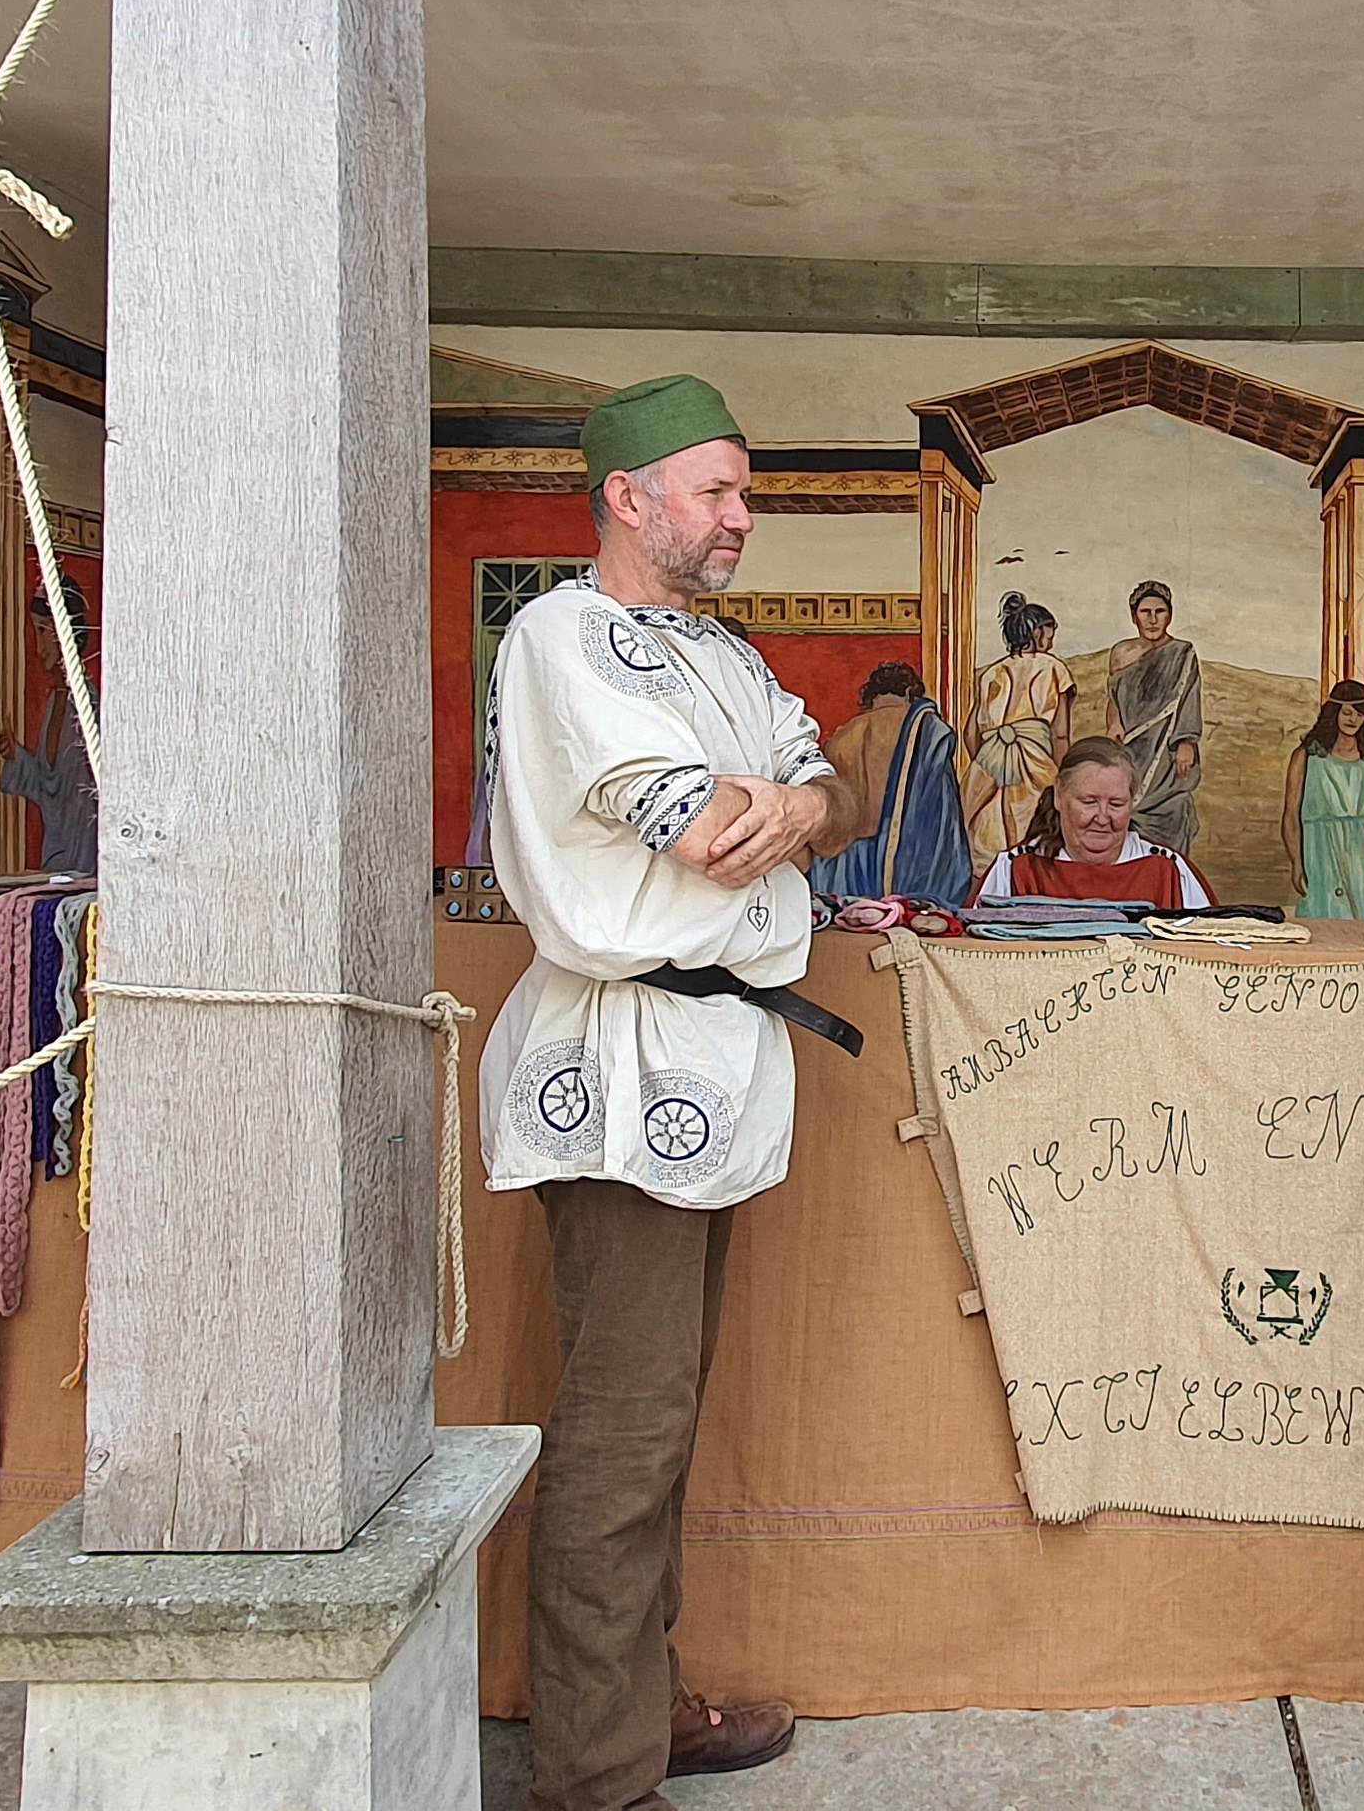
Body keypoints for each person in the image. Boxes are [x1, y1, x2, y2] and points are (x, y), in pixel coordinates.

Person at [479, 373, 853, 1811]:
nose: (741, 517)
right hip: (622, 1067)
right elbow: (708, 835)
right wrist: (780, 812)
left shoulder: (728, 658)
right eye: (718, 491)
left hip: (712, 1063)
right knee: (624, 1431)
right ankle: (598, 1776)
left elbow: (836, 792)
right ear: (628, 498)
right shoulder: (562, 638)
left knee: (662, 1419)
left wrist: (809, 806)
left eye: (745, 491)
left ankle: (636, 1708)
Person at [807, 662, 976, 906]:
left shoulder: (841, 737)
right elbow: (941, 811)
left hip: (846, 863)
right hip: (901, 862)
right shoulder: (925, 729)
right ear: (909, 692)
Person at [976, 736, 1212, 909]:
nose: (1102, 818)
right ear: (1059, 796)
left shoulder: (1169, 870)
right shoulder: (1015, 869)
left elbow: (1210, 957)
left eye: (1116, 804)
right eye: (1089, 802)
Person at [962, 593, 1071, 857]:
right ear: (1036, 633)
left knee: (987, 834)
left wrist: (992, 759)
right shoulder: (1054, 668)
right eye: (1050, 632)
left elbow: (970, 734)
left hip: (989, 763)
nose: (1052, 640)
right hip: (1035, 761)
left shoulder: (990, 673)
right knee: (1034, 833)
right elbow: (1060, 733)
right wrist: (1066, 775)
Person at [1102, 579, 1206, 855]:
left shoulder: (1182, 653)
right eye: (1145, 612)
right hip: (1132, 749)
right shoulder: (1121, 653)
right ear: (1133, 616)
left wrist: (1186, 742)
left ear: (1169, 615)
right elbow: (1114, 699)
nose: (1152, 619)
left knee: (1174, 808)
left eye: (1159, 612)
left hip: (1167, 751)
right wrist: (1115, 722)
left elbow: (1188, 698)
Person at [1279, 677, 1364, 920]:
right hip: (1319, 852)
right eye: (1348, 713)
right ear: (1335, 713)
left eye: (1359, 715)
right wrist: (1297, 862)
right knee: (1324, 917)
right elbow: (1290, 816)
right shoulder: (1307, 756)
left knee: (1360, 917)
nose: (1353, 720)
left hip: (1357, 852)